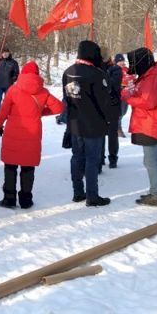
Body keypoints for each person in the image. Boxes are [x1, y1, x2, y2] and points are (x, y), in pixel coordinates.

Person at [0, 61, 63, 208]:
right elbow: (59, 107)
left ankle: (9, 198)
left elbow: (3, 111)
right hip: (32, 134)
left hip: (13, 133)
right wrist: (40, 112)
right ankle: (26, 200)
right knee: (28, 168)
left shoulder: (13, 90)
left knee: (10, 167)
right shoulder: (43, 92)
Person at [63, 41, 113, 207]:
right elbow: (104, 101)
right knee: (91, 160)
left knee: (77, 157)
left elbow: (67, 99)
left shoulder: (68, 72)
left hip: (75, 123)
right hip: (93, 124)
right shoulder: (97, 74)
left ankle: (78, 192)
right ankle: (92, 196)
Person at [122, 47, 157, 206]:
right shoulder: (150, 74)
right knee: (150, 159)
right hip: (149, 121)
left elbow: (148, 101)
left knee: (151, 160)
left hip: (151, 122)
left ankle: (156, 194)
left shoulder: (153, 77)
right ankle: (156, 191)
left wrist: (127, 97)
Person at [100, 46, 122, 169]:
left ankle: (113, 158)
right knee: (100, 133)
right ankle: (101, 157)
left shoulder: (115, 69)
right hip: (100, 105)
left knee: (112, 134)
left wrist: (103, 74)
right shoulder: (97, 68)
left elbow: (113, 86)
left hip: (113, 105)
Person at [0, 47, 19, 115]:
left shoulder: (13, 62)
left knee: (7, 101)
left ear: (9, 53)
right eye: (3, 53)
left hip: (8, 85)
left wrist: (13, 79)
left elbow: (17, 73)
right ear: (1, 54)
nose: (5, 54)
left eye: (6, 52)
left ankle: (7, 114)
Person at [114, 54, 133, 137]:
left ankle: (117, 127)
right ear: (116, 62)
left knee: (124, 112)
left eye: (122, 61)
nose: (121, 62)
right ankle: (118, 129)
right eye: (119, 61)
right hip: (117, 94)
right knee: (119, 113)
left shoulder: (127, 69)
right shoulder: (113, 69)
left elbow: (132, 78)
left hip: (126, 94)